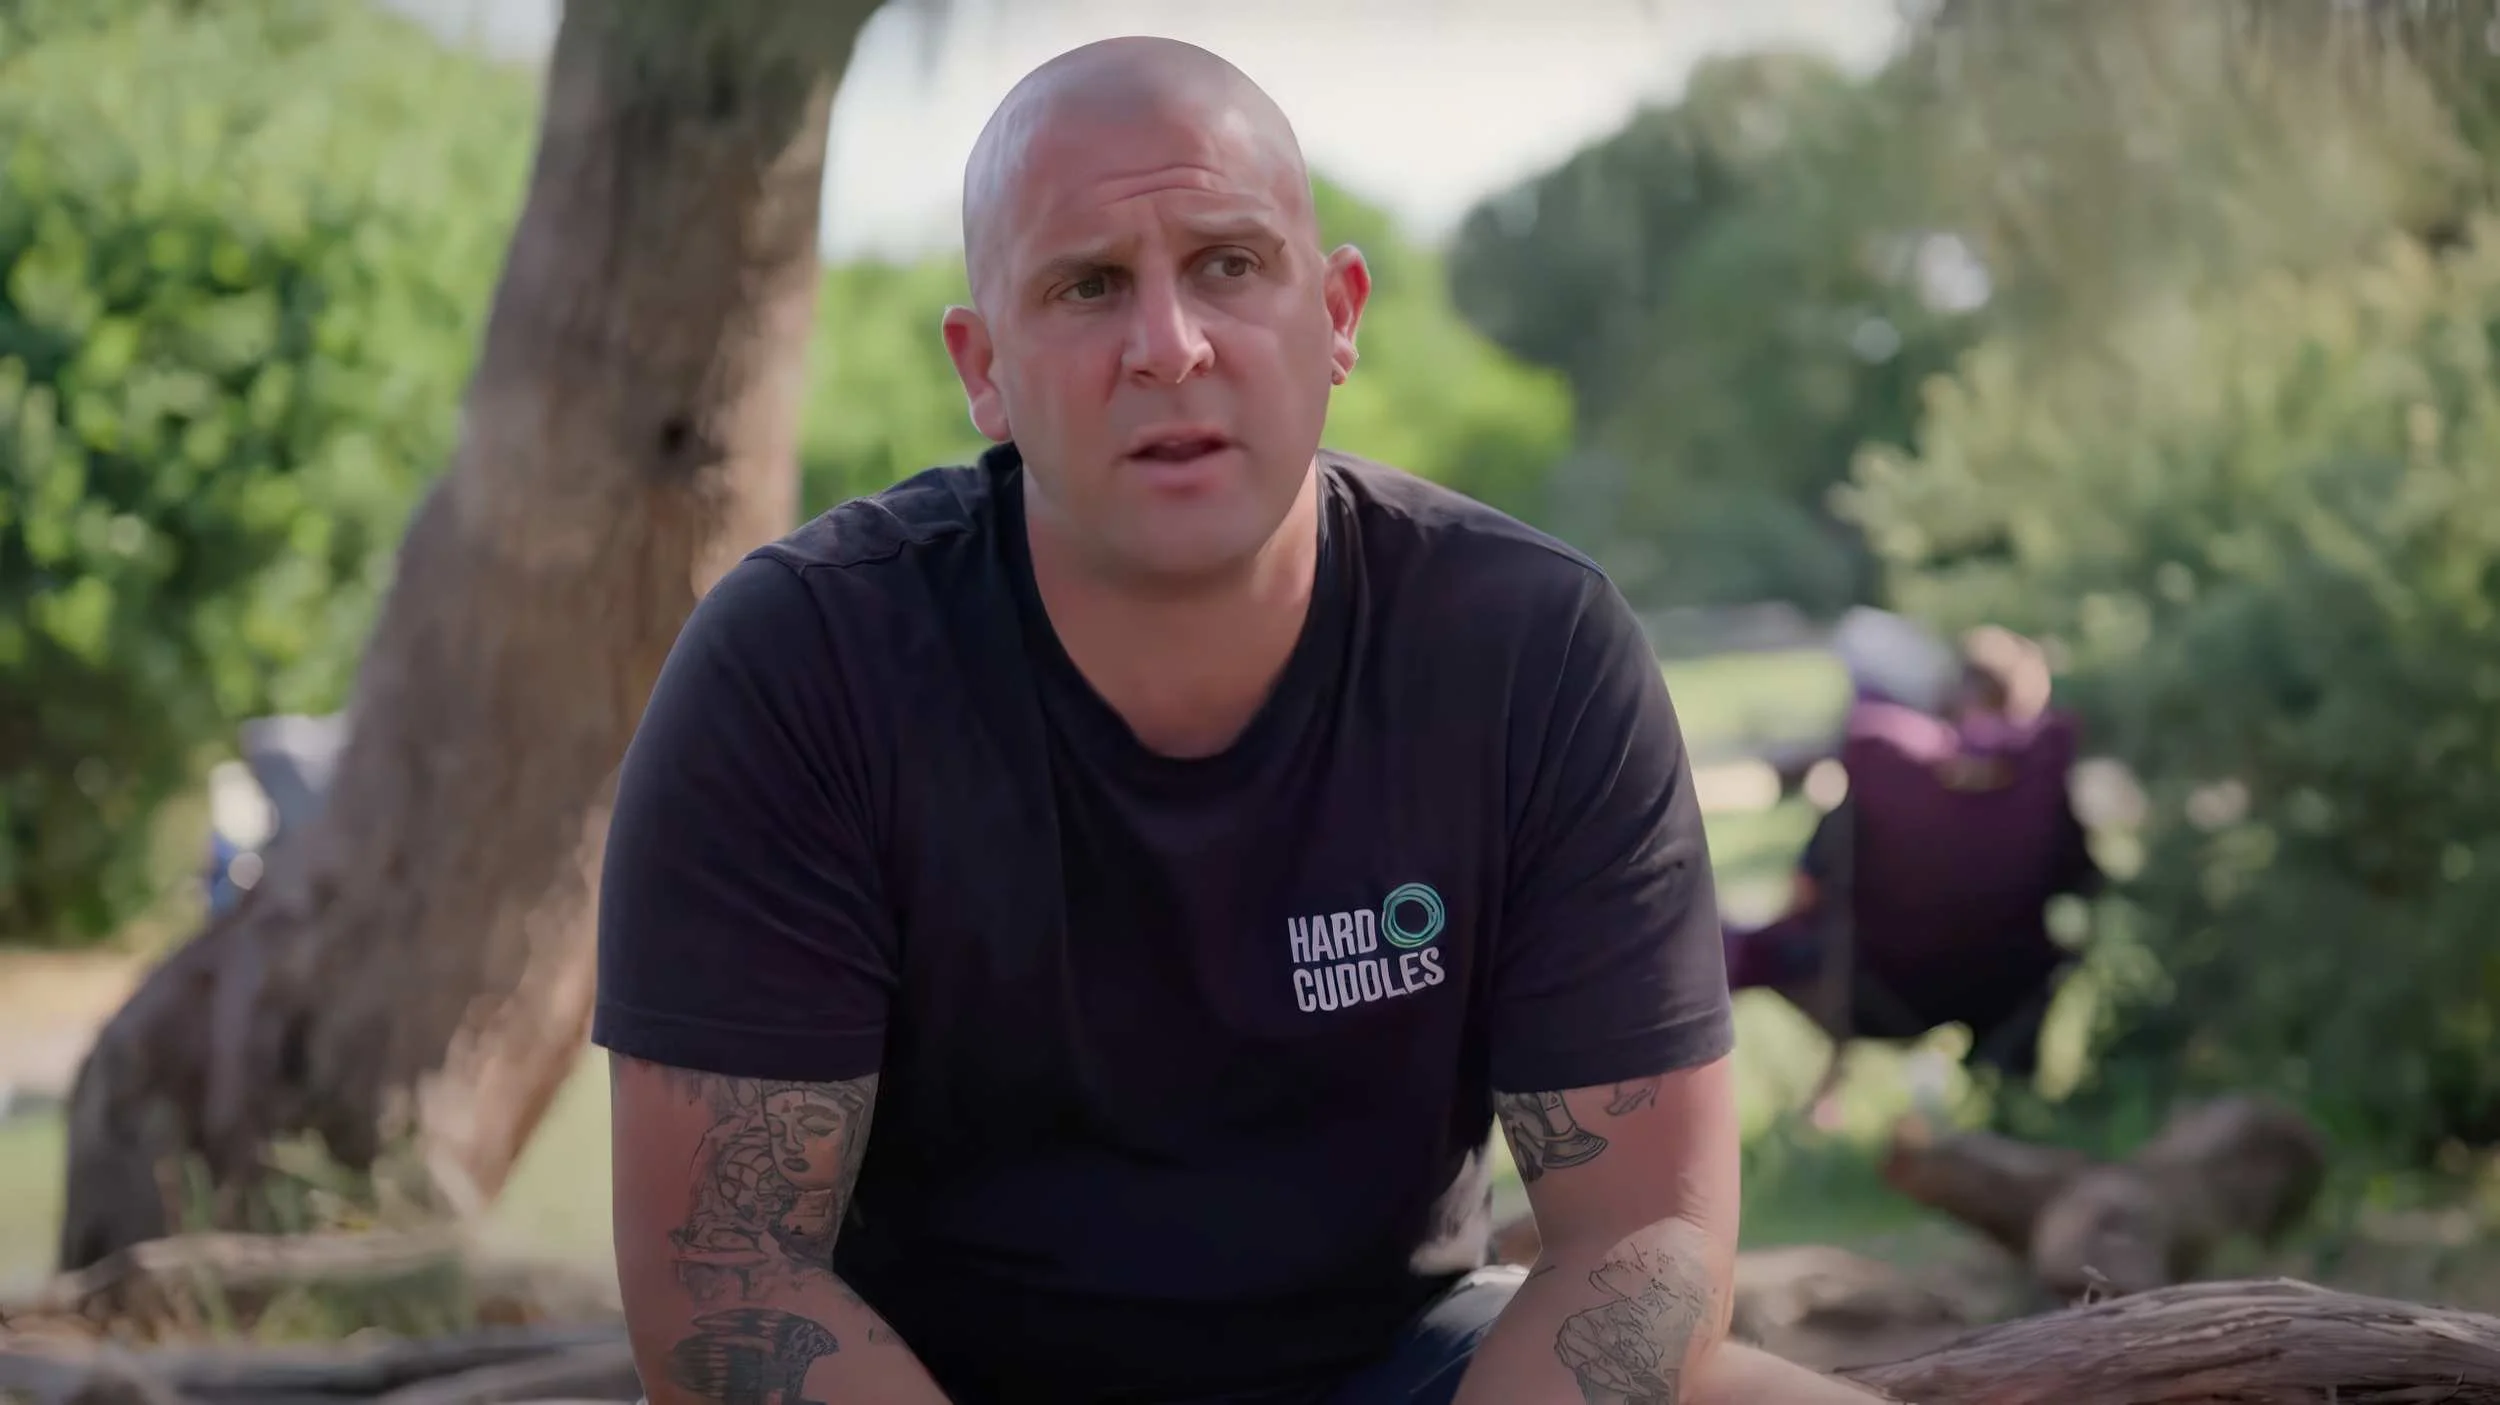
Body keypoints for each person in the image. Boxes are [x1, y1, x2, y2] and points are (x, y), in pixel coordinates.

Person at [593, 35, 1891, 1405]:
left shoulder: (1532, 650)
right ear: (984, 368)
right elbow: (728, 1280)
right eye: (1088, 286)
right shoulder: (800, 665)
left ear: (1336, 314)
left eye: (1227, 263)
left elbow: (1642, 1245)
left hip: (1405, 1362)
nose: (1169, 346)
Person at [1726, 623, 2103, 1117]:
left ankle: (1761, 1099)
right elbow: (2081, 881)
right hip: (2001, 990)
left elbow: (1808, 888)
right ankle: (2009, 1100)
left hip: (1874, 994)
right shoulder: (2040, 788)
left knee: (1743, 942)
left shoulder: (1889, 770)